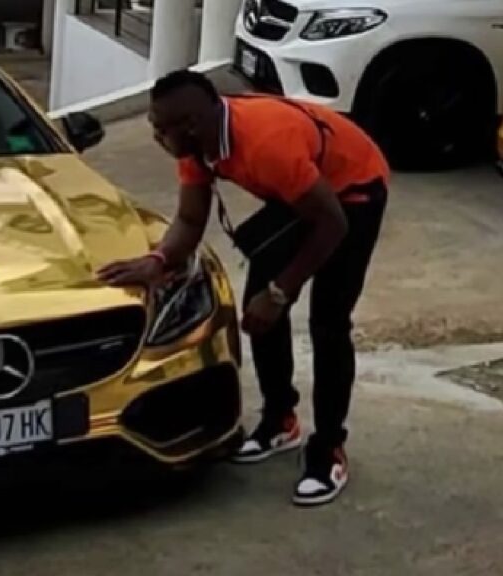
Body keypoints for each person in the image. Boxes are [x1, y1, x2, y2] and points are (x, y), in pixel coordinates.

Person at [97, 69, 388, 507]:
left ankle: (328, 447)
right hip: (303, 188)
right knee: (258, 317)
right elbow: (192, 219)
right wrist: (156, 261)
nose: (156, 137)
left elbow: (332, 224)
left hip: (353, 192)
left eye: (160, 128)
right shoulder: (197, 145)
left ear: (191, 124)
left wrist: (279, 292)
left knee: (327, 321)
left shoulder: (268, 144)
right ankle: (279, 420)